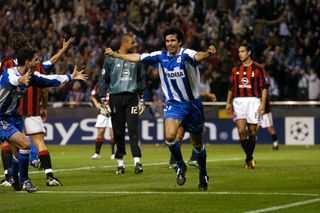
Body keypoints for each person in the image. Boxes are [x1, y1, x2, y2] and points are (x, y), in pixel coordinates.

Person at [104, 26, 216, 191]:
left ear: (179, 42)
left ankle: (203, 173)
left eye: (173, 40)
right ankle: (180, 165)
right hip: (174, 104)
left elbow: (198, 56)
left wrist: (208, 53)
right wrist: (115, 55)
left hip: (193, 105)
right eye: (167, 41)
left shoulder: (186, 54)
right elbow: (137, 57)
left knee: (197, 145)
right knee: (170, 137)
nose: (170, 44)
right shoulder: (160, 56)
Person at [0, 47, 87, 192]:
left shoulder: (31, 76)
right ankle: (25, 181)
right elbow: (12, 79)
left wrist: (71, 77)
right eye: (36, 59)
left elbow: (49, 80)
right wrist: (21, 79)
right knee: (26, 144)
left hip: (13, 116)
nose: (38, 61)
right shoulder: (9, 73)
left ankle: (15, 178)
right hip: (1, 117)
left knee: (18, 151)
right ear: (28, 62)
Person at [99, 34, 145, 175]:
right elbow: (104, 80)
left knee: (133, 130)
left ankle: (137, 162)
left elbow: (139, 80)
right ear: (124, 43)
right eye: (132, 42)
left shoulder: (136, 59)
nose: (135, 44)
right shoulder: (110, 59)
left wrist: (141, 98)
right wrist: (103, 100)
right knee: (118, 132)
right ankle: (120, 163)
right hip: (115, 98)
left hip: (131, 97)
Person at [225, 43, 269, 169]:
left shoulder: (259, 68)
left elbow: (264, 88)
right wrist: (228, 102)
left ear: (249, 52)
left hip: (254, 101)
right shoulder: (235, 69)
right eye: (239, 52)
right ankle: (249, 158)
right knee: (241, 131)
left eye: (243, 51)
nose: (240, 54)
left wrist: (262, 104)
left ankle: (249, 158)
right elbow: (231, 87)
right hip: (239, 101)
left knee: (252, 132)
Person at [168, 92, 217, 169]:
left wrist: (207, 95)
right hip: (182, 107)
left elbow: (195, 90)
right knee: (180, 134)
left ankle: (193, 159)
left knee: (201, 131)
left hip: (192, 107)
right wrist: (207, 94)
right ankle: (174, 161)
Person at [90, 83, 115, 160]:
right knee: (100, 132)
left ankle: (114, 154)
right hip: (102, 112)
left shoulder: (116, 81)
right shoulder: (100, 84)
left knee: (113, 134)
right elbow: (93, 94)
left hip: (113, 112)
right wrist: (96, 103)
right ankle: (97, 153)